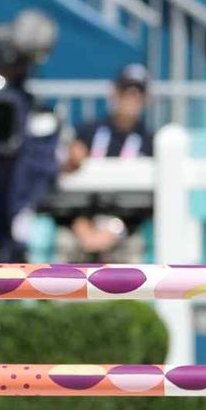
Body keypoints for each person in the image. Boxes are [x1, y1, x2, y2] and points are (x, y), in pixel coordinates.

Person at [55, 63, 155, 262]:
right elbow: (60, 185)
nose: (132, 98)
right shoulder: (86, 133)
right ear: (114, 93)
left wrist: (113, 230)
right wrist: (81, 226)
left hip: (124, 226)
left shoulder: (150, 142)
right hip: (81, 221)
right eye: (126, 91)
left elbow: (149, 204)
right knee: (64, 245)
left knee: (133, 255)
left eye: (138, 93)